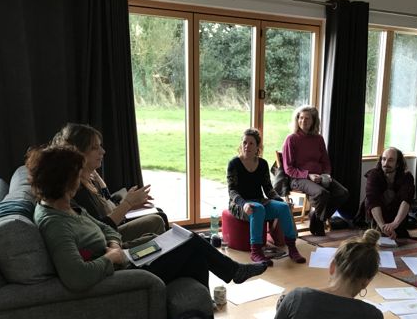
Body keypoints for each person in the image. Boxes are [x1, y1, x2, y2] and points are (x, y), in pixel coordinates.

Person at [26, 145, 268, 292]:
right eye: (77, 176)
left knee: (188, 244)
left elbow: (106, 228)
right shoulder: (55, 223)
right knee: (192, 244)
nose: (81, 181)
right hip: (124, 271)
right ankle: (233, 271)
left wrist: (114, 245)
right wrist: (111, 257)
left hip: (127, 256)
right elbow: (76, 277)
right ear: (64, 180)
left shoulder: (67, 206)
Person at [52, 123, 167, 249]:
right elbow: (98, 229)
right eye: (95, 148)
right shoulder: (76, 189)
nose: (103, 151)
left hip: (110, 233)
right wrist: (128, 203)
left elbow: (107, 207)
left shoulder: (90, 179)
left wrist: (131, 204)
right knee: (157, 223)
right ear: (78, 153)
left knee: (157, 219)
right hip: (105, 242)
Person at [227, 128, 305, 266]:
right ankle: (256, 252)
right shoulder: (234, 164)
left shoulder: (262, 164)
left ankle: (292, 248)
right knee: (258, 209)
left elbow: (268, 189)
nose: (247, 146)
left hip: (259, 201)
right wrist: (244, 204)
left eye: (251, 143)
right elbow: (232, 191)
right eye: (244, 142)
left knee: (283, 207)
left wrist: (281, 201)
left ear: (258, 146)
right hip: (239, 204)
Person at [281, 106, 349, 236]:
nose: (303, 121)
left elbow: (325, 162)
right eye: (301, 118)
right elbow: (289, 169)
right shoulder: (291, 139)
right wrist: (308, 175)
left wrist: (326, 175)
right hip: (298, 178)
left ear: (313, 121)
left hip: (319, 176)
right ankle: (319, 223)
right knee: (322, 193)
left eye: (307, 118)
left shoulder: (318, 139)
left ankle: (316, 217)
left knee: (343, 193)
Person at [364, 147, 415, 240]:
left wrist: (395, 224)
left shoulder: (407, 177)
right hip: (378, 214)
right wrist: (382, 226)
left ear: (398, 164)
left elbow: (406, 201)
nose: (386, 163)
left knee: (400, 233)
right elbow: (373, 201)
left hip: (396, 214)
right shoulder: (373, 175)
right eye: (384, 159)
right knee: (369, 200)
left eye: (390, 160)